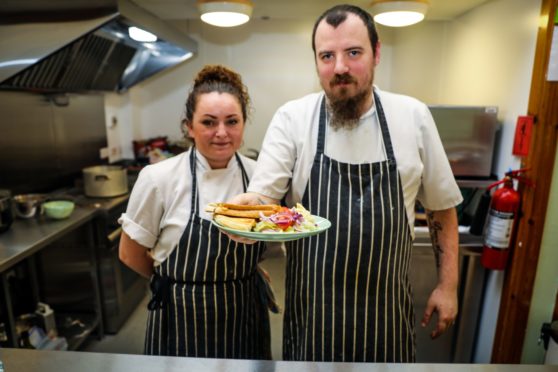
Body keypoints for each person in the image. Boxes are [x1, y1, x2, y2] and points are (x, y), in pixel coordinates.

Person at [230, 4, 463, 363]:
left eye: (353, 52)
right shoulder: (293, 119)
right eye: (327, 56)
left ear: (377, 53)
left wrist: (448, 287)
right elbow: (263, 196)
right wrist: (248, 214)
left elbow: (441, 209)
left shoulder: (412, 117)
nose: (340, 67)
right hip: (313, 320)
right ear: (316, 61)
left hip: (386, 318)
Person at [118, 65, 271, 359]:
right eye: (209, 122)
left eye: (232, 121)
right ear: (189, 126)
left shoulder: (261, 177)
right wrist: (173, 280)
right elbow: (129, 253)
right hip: (182, 315)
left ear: (244, 123)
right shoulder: (159, 178)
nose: (222, 133)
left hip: (245, 310)